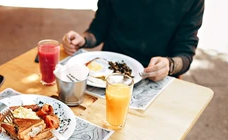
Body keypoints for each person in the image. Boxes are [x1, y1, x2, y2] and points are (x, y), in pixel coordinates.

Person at [62, 0, 204, 82]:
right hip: (108, 72)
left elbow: (185, 55)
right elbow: (98, 29)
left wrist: (169, 64)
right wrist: (84, 39)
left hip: (154, 78)